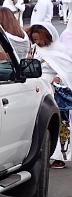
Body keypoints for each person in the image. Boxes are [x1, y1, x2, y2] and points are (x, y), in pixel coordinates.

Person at [27, 22, 72, 168]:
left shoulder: (60, 50)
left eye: (39, 39)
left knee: (60, 124)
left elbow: (67, 69)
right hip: (36, 89)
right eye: (35, 39)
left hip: (54, 90)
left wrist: (59, 78)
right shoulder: (34, 49)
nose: (38, 42)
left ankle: (60, 156)